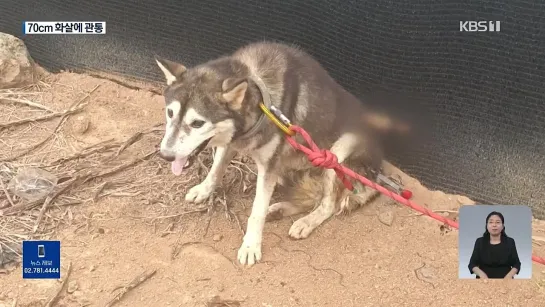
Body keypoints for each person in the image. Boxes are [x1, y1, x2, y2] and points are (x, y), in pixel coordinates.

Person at [467, 211, 521, 279]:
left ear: (502, 226)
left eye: (498, 222)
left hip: (505, 281)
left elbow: (517, 264)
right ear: (487, 226)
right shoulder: (480, 242)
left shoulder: (510, 242)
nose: (494, 225)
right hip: (484, 282)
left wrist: (509, 276)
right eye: (491, 222)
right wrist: (481, 274)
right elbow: (472, 264)